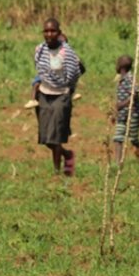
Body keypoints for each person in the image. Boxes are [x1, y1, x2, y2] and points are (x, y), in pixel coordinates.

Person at [33, 17, 82, 175]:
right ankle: (67, 155)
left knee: (56, 136)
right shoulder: (39, 50)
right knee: (45, 137)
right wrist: (37, 88)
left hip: (61, 95)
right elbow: (39, 71)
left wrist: (68, 90)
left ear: (59, 33)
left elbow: (76, 72)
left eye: (53, 31)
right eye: (46, 31)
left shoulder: (67, 53)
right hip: (44, 94)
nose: (49, 34)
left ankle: (57, 172)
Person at [111, 55, 139, 161]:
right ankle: (118, 163)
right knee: (118, 137)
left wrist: (122, 105)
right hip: (122, 115)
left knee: (133, 139)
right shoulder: (122, 79)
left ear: (121, 66)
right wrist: (116, 112)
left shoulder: (130, 78)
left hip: (133, 113)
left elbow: (135, 94)